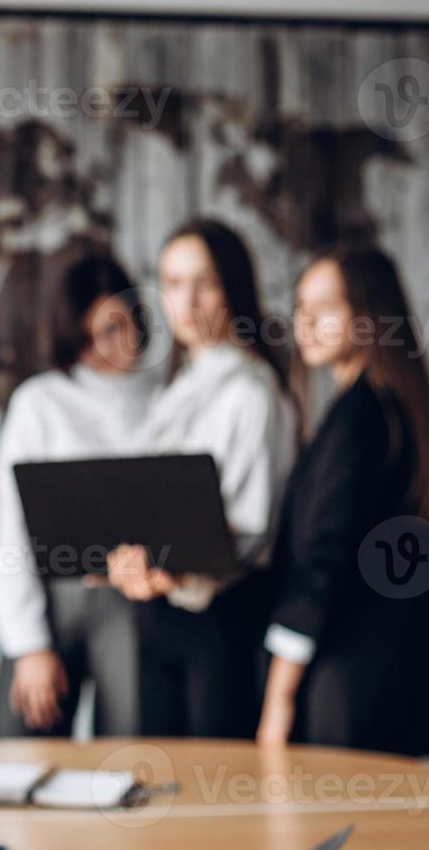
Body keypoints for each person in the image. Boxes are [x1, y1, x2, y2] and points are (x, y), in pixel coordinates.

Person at [256, 243, 429, 757]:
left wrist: (279, 694)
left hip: (343, 689)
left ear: (369, 314)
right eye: (301, 308)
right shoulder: (400, 411)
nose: (307, 322)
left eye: (326, 307)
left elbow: (325, 563)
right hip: (396, 685)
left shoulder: (358, 420)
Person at [104, 219, 296, 738]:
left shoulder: (252, 393)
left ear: (233, 285)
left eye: (204, 282)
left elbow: (252, 528)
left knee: (215, 792)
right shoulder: (179, 387)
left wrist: (178, 568)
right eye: (171, 283)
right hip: (161, 613)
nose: (185, 302)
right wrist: (128, 561)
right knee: (165, 783)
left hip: (222, 621)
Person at [0, 255, 160, 737]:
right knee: (12, 762)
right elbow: (12, 535)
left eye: (116, 327)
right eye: (87, 336)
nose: (103, 348)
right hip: (51, 604)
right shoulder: (40, 402)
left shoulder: (170, 399)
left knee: (130, 762)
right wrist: (29, 646)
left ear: (139, 319)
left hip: (138, 609)